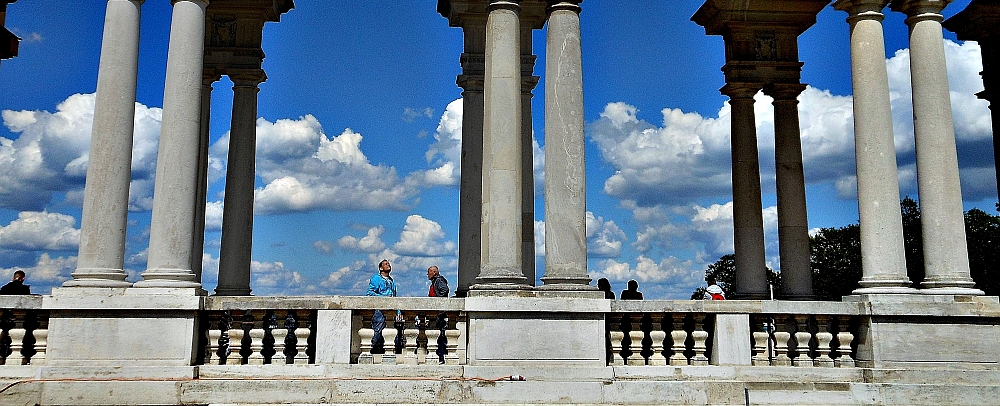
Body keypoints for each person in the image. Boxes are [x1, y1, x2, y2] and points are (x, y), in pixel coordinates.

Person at [366, 259, 399, 354]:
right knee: (377, 331)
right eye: (385, 264)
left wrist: (398, 311)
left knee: (392, 332)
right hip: (379, 310)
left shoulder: (391, 280)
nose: (388, 265)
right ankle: (369, 351)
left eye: (388, 263)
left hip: (390, 310)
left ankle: (390, 352)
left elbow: (394, 296)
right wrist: (384, 298)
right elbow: (369, 293)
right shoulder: (376, 279)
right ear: (381, 268)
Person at [427, 266, 449, 364]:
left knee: (440, 335)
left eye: (429, 272)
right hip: (437, 312)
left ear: (434, 272)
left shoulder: (439, 280)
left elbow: (445, 290)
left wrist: (437, 300)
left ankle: (441, 356)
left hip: (439, 312)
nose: (428, 274)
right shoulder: (435, 281)